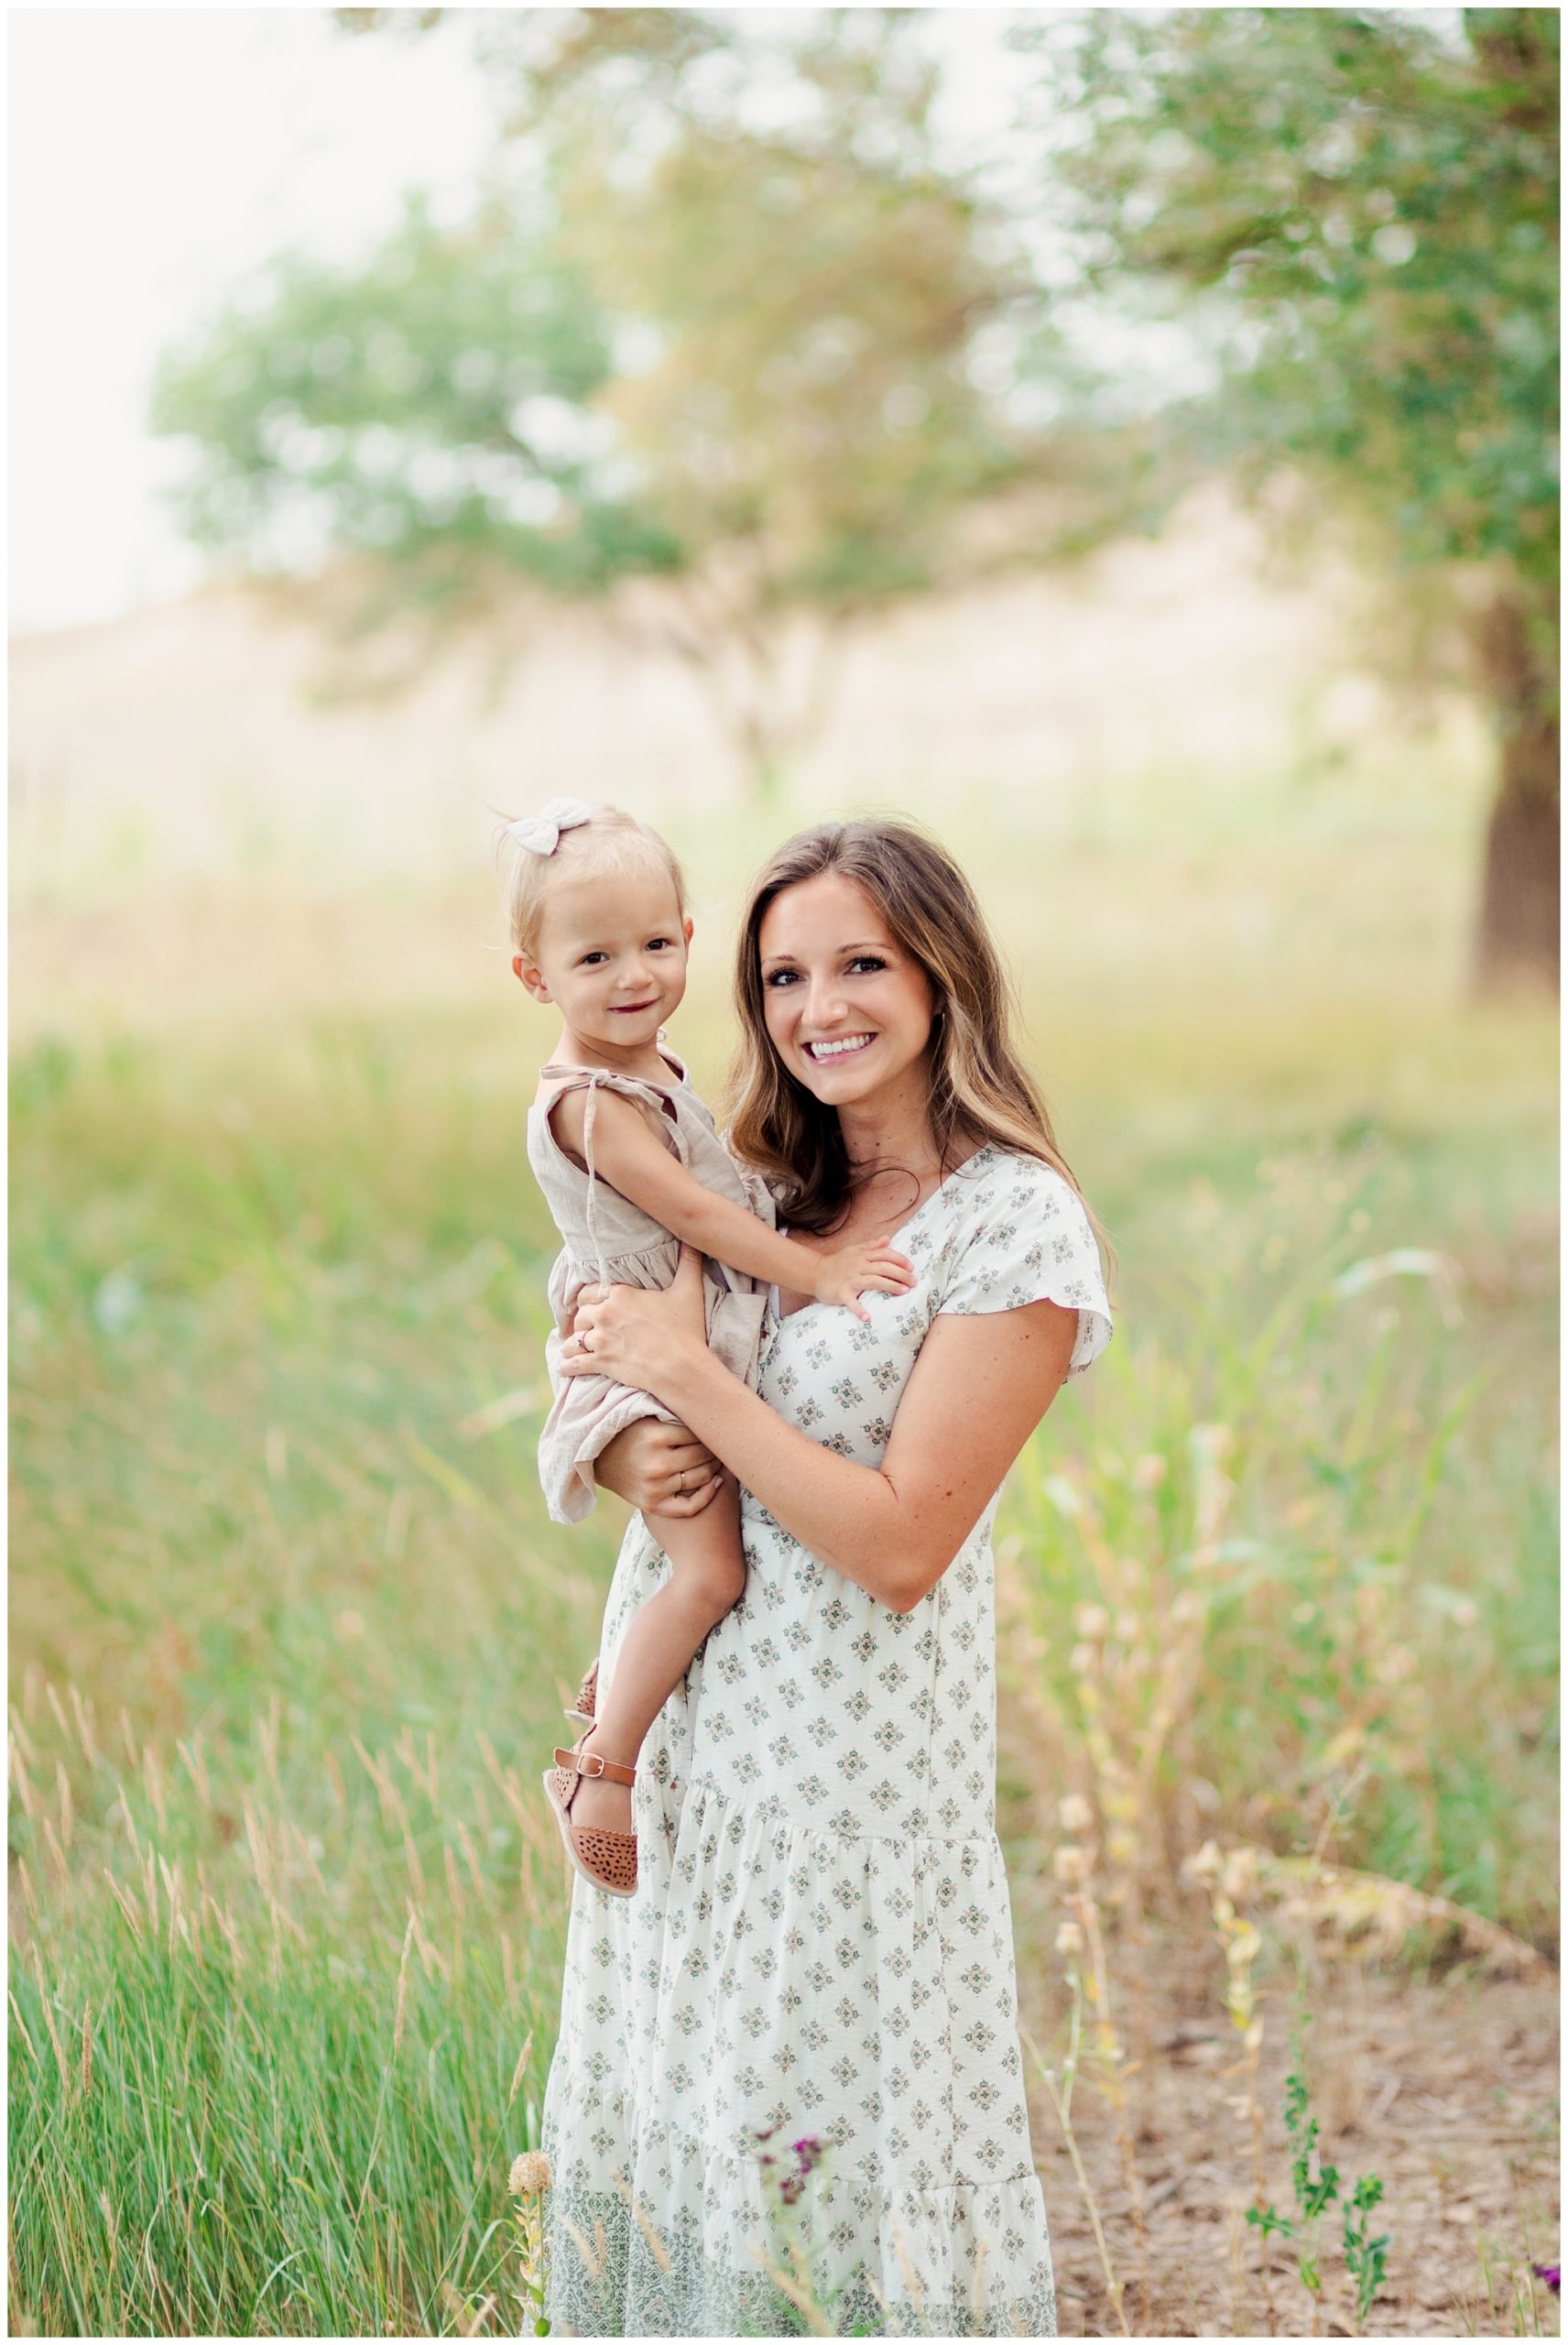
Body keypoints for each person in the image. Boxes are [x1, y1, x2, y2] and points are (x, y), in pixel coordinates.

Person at [538, 816, 1112, 2338]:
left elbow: (902, 1543)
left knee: (816, 2171)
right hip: (688, 1772)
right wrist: (618, 1454)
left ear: (940, 975)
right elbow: (605, 1351)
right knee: (676, 2133)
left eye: (859, 963)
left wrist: (698, 1391)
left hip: (842, 1793)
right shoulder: (761, 1196)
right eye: (783, 973)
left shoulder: (1013, 1225)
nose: (819, 1007)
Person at [504, 798, 916, 1901]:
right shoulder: (589, 1106)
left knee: (708, 1557)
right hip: (649, 1352)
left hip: (681, 1329)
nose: (632, 975)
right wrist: (820, 1273)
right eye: (594, 956)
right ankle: (601, 1767)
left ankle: (620, 1687)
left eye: (652, 944)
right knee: (711, 1566)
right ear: (532, 977)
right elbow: (693, 1215)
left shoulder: (649, 1065)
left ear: (689, 939)